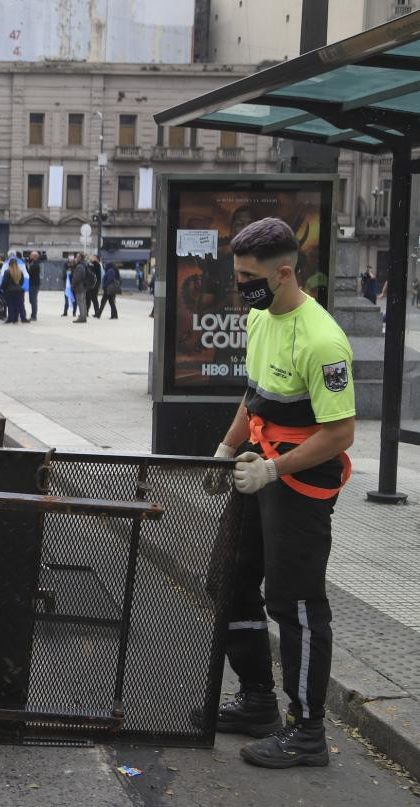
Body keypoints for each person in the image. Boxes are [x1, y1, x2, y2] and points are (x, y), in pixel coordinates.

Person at [211, 217, 355, 770]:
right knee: (229, 581)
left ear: (285, 272)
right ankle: (256, 701)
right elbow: (256, 395)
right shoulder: (260, 316)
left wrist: (274, 472)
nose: (239, 284)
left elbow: (340, 433)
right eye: (237, 273)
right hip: (256, 464)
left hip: (299, 481)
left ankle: (307, 732)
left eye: (248, 275)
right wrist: (226, 452)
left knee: (294, 602)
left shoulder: (321, 340)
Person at [1, 256, 26, 324]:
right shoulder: (20, 272)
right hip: (19, 290)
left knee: (10, 305)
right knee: (19, 304)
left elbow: (4, 282)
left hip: (9, 291)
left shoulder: (7, 272)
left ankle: (10, 318)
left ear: (9, 264)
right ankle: (19, 318)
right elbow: (21, 282)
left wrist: (3, 288)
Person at [70, 255, 88, 323]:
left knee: (80, 302)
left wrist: (72, 286)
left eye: (77, 257)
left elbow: (77, 278)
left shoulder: (80, 266)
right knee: (83, 302)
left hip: (79, 287)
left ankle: (82, 317)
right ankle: (83, 316)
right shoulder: (84, 265)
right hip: (83, 286)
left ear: (80, 258)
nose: (75, 258)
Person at [85, 254, 102, 318]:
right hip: (90, 284)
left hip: (95, 284)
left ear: (97, 259)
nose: (92, 258)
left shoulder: (97, 265)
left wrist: (91, 261)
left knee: (94, 298)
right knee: (87, 298)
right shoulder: (91, 264)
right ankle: (86, 312)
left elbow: (93, 270)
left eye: (94, 257)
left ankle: (97, 313)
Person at [26, 250, 42, 321]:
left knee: (33, 300)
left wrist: (27, 267)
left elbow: (30, 273)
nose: (29, 256)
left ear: (35, 257)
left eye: (31, 255)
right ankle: (33, 315)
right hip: (32, 284)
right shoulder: (33, 263)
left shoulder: (35, 265)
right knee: (32, 300)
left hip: (34, 284)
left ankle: (34, 316)